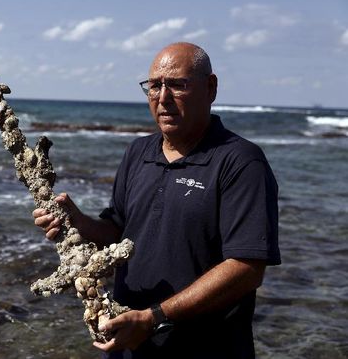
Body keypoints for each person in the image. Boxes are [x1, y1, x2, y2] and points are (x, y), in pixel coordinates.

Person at [33, 42, 281, 358]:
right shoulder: (137, 153)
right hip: (128, 345)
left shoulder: (241, 162)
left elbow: (246, 268)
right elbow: (118, 230)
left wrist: (154, 318)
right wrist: (77, 222)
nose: (163, 98)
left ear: (211, 87)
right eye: (154, 86)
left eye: (178, 85)